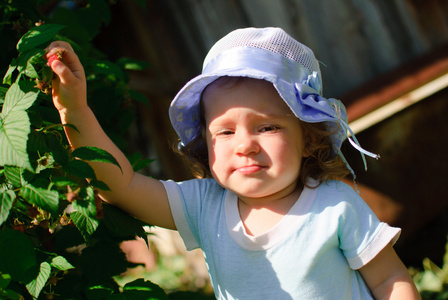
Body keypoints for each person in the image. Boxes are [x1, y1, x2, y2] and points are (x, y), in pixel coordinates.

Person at [46, 27, 420, 299]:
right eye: (224, 132)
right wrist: (74, 110)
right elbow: (121, 185)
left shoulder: (334, 206)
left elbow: (390, 282)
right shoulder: (206, 206)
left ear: (308, 137)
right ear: (204, 143)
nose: (244, 145)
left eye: (268, 126)